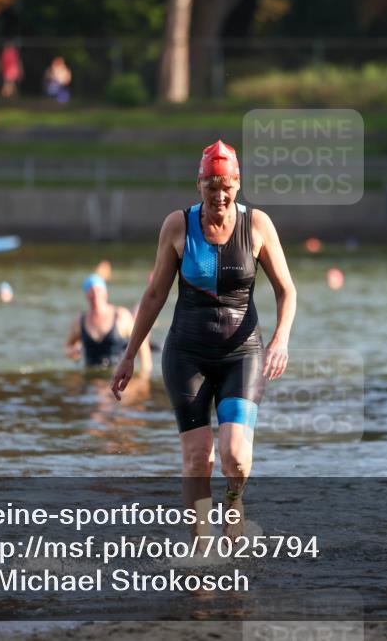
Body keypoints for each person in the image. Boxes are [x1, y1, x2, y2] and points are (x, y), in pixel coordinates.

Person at [110, 140, 297, 540]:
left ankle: (234, 505)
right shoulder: (177, 225)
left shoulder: (258, 225)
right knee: (198, 459)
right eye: (211, 188)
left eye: (226, 187)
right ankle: (203, 546)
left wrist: (280, 340)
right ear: (199, 185)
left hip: (241, 354)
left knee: (235, 459)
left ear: (238, 184)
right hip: (187, 355)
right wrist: (128, 356)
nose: (219, 196)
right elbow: (155, 295)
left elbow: (287, 291)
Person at [67, 274, 152, 373]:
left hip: (117, 374)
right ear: (86, 295)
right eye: (91, 291)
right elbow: (68, 346)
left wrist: (144, 378)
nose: (95, 295)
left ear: (105, 293)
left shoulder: (121, 316)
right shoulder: (80, 322)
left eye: (98, 290)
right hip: (91, 376)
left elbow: (143, 346)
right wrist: (72, 352)